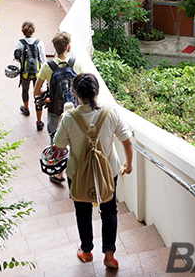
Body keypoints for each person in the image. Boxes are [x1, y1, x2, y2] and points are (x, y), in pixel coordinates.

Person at [52, 73, 134, 268]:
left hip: (78, 173)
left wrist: (63, 122)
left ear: (75, 93)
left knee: (82, 211)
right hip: (109, 171)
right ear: (97, 92)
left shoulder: (69, 118)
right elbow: (127, 140)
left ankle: (86, 251)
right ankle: (109, 254)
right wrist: (128, 164)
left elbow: (59, 146)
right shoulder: (110, 112)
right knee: (109, 209)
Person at [34, 31, 84, 143]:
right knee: (73, 141)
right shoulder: (77, 63)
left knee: (55, 141)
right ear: (67, 47)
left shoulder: (47, 66)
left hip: (54, 110)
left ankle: (56, 159)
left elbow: (36, 92)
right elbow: (83, 89)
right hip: (73, 110)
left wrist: (47, 91)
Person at [14, 21, 46, 131]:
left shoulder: (19, 43)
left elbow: (17, 57)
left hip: (25, 72)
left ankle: (26, 108)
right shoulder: (39, 43)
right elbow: (43, 59)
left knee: (25, 90)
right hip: (38, 73)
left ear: (22, 31)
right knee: (37, 94)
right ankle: (39, 121)